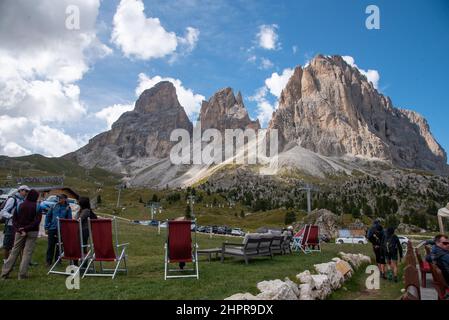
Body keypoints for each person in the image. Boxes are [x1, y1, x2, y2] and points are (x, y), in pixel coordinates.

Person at [1, 189, 42, 280]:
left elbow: (14, 219)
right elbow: (37, 222)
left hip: (19, 231)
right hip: (32, 232)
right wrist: (26, 229)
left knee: (14, 252)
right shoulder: (37, 206)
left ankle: (4, 273)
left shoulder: (20, 205)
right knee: (27, 253)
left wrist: (19, 229)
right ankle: (22, 275)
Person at [0, 185, 29, 263]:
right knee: (7, 245)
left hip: (19, 226)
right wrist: (12, 216)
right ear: (20, 191)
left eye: (27, 191)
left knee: (19, 244)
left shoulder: (23, 200)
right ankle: (6, 261)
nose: (26, 193)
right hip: (10, 225)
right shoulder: (13, 199)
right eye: (25, 191)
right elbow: (3, 212)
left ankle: (21, 261)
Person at [45, 194, 72, 267]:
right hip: (52, 228)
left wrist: (67, 230)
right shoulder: (54, 206)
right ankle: (48, 261)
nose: (59, 199)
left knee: (59, 246)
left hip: (62, 229)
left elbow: (69, 220)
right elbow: (48, 216)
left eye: (61, 198)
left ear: (65, 199)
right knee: (51, 245)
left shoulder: (68, 208)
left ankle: (58, 261)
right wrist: (47, 227)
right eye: (59, 198)